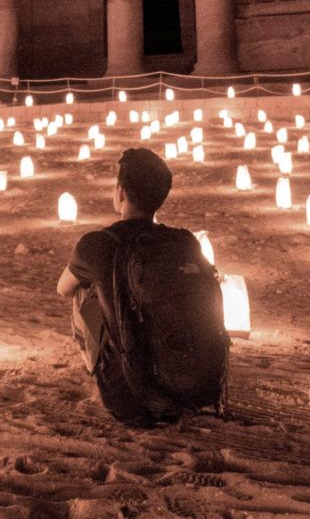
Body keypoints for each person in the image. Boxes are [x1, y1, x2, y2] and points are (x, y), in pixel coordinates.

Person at [56, 146, 179, 425]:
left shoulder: (98, 244)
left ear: (121, 193)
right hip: (186, 387)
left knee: (83, 290)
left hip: (128, 398)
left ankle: (107, 367)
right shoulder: (184, 243)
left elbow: (63, 288)